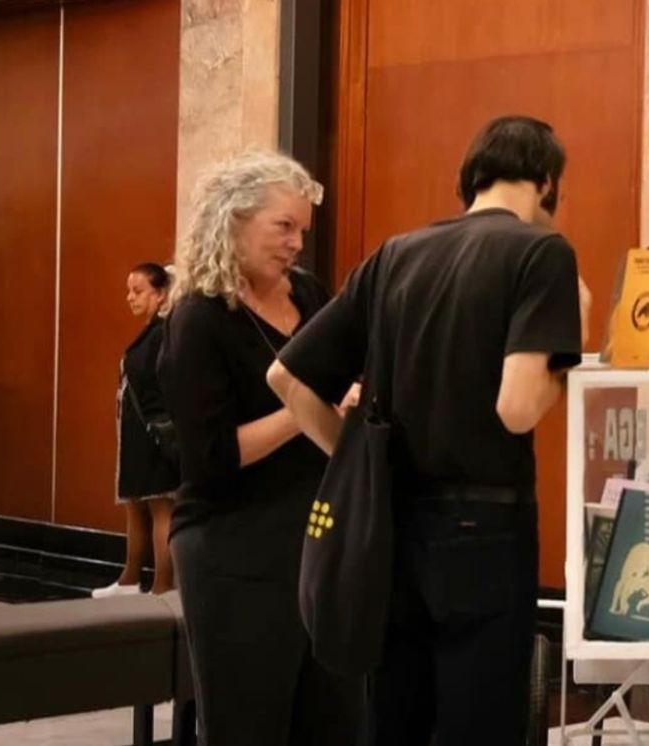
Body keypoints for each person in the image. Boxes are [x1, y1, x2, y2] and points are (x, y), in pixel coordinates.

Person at [268, 115, 588, 745]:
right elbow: (517, 408)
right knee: (479, 723)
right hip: (486, 534)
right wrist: (569, 361)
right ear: (546, 181)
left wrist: (352, 455)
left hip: (390, 528)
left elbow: (285, 377)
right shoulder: (541, 253)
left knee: (397, 717)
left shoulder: (397, 253)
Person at [158, 151, 361, 745]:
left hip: (313, 538)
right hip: (232, 547)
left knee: (334, 719)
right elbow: (211, 458)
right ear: (233, 221)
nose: (297, 242)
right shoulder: (198, 318)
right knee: (249, 722)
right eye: (284, 227)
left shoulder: (310, 294)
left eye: (303, 230)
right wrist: (305, 410)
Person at [94, 263, 178, 598]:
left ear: (161, 294)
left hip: (154, 435)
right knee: (136, 505)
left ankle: (162, 586)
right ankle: (130, 579)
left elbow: (160, 388)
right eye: (128, 291)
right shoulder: (151, 333)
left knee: (160, 507)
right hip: (137, 435)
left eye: (138, 291)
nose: (130, 298)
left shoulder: (163, 333)